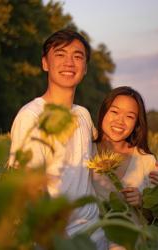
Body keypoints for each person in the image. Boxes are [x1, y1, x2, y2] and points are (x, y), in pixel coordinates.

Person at [9, 29, 108, 250]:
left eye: (77, 56)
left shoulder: (83, 114)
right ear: (45, 63)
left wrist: (147, 173)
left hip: (96, 236)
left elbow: (96, 172)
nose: (69, 62)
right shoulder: (31, 116)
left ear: (85, 68)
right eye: (60, 54)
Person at [93, 86, 158, 206]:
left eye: (129, 116)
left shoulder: (147, 161)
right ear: (103, 112)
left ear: (137, 124)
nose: (120, 121)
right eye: (114, 112)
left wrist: (142, 202)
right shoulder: (84, 148)